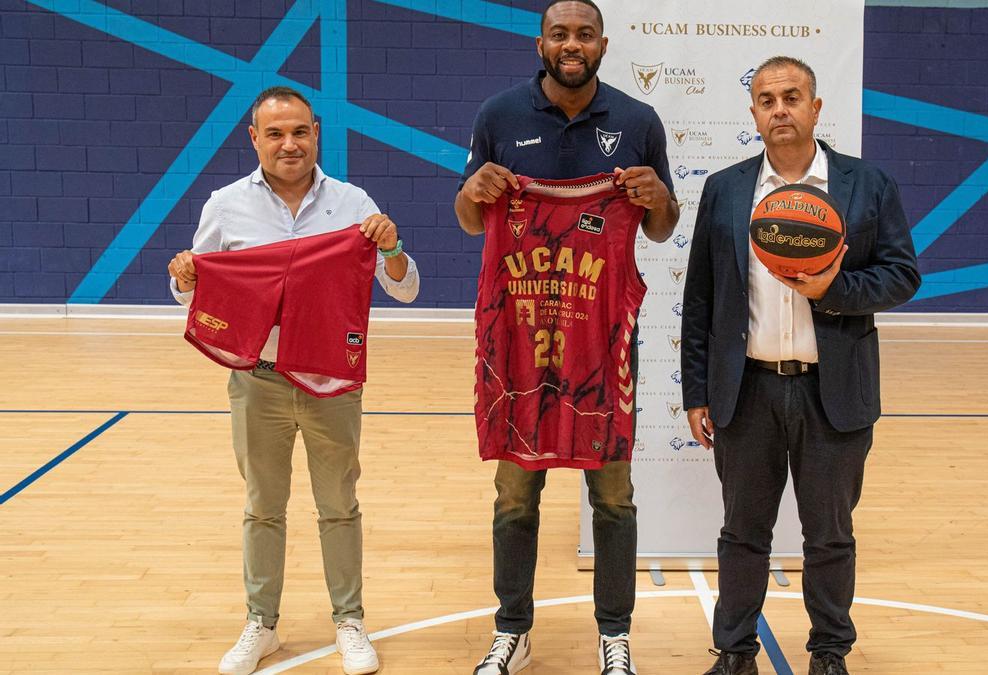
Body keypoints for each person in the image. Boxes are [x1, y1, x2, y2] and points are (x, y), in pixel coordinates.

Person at [454, 1, 680, 673]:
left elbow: (663, 227)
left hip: (600, 350)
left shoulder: (638, 123)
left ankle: (615, 633)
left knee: (613, 494)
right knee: (515, 494)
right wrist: (475, 188)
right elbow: (471, 219)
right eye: (561, 33)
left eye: (584, 34)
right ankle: (513, 629)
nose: (572, 44)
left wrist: (654, 197)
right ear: (541, 43)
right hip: (519, 345)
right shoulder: (499, 116)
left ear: (603, 44)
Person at [167, 86, 420, 675]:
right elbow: (195, 285)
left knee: (338, 504)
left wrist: (393, 247)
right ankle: (262, 623)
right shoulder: (225, 205)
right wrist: (183, 276)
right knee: (263, 506)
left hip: (332, 378)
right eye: (275, 133)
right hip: (258, 380)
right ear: (254, 138)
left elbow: (403, 287)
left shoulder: (354, 202)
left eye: (300, 131)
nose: (289, 144)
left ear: (317, 133)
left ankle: (349, 622)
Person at [681, 56, 920, 675]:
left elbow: (902, 276)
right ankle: (734, 653)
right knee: (741, 534)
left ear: (816, 108)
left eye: (792, 96)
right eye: (766, 99)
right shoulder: (726, 189)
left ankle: (830, 654)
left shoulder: (867, 186)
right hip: (748, 390)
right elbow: (700, 300)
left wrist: (834, 290)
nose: (779, 108)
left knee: (830, 536)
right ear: (753, 113)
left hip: (832, 392)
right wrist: (696, 390)